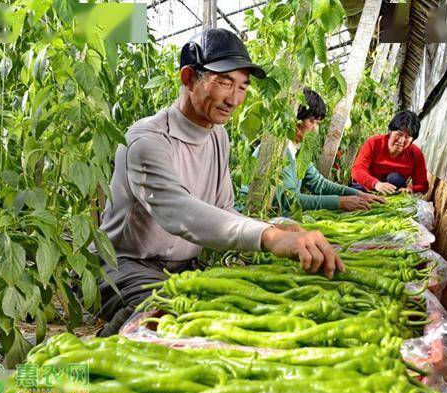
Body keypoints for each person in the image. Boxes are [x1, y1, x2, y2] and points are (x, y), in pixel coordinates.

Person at [92, 29, 343, 336]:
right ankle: (87, 369)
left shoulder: (217, 136)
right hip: (126, 265)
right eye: (224, 82)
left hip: (184, 269)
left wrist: (275, 226)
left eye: (242, 86)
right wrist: (269, 237)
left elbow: (223, 209)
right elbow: (179, 213)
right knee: (166, 315)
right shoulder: (147, 140)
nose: (234, 99)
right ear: (188, 78)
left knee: (232, 312)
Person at [272, 88, 385, 214]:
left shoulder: (298, 152)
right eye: (311, 121)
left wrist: (360, 194)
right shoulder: (279, 153)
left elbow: (319, 184)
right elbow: (288, 200)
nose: (315, 128)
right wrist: (339, 202)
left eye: (318, 123)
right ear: (294, 118)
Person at [351, 110, 429, 195]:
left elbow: (423, 185)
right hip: (367, 187)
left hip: (393, 193)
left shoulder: (416, 154)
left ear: (413, 139)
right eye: (399, 134)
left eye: (408, 137)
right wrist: (376, 184)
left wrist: (410, 189)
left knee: (394, 178)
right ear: (390, 131)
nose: (402, 140)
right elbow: (357, 170)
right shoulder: (374, 143)